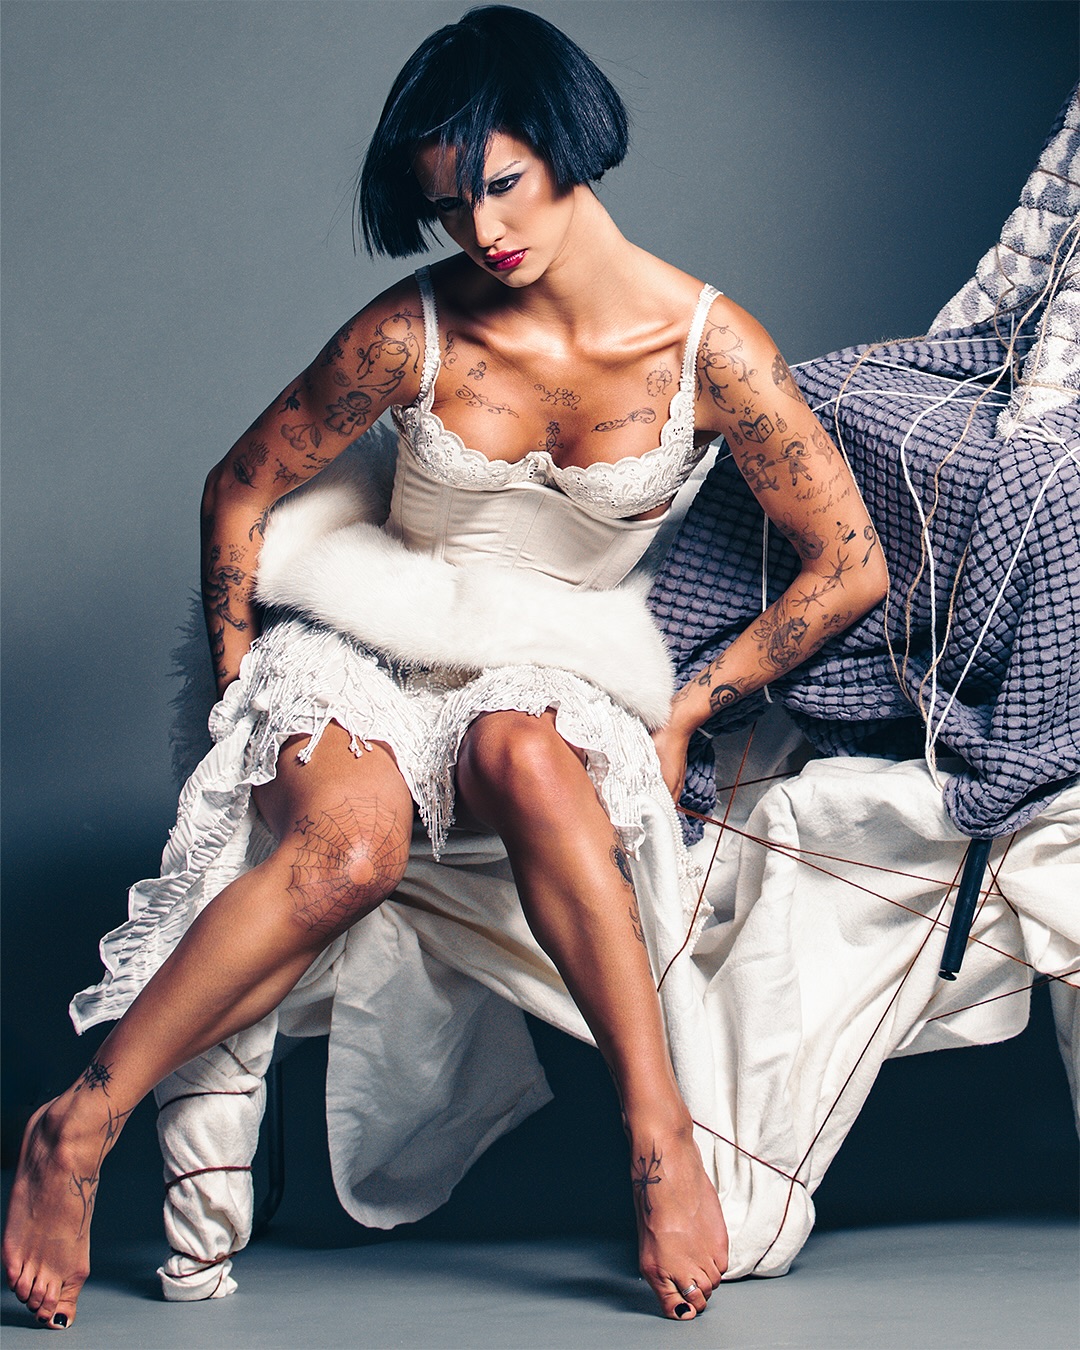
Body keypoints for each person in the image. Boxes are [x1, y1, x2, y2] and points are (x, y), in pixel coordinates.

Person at [4, 5, 887, 1329]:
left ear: (570, 144)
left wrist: (689, 708)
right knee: (348, 854)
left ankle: (659, 1143)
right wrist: (238, 682)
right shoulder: (409, 330)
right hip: (373, 641)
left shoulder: (712, 351)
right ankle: (76, 1125)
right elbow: (239, 487)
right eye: (448, 205)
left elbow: (849, 561)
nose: (482, 231)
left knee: (525, 753)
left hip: (546, 659)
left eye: (504, 184)